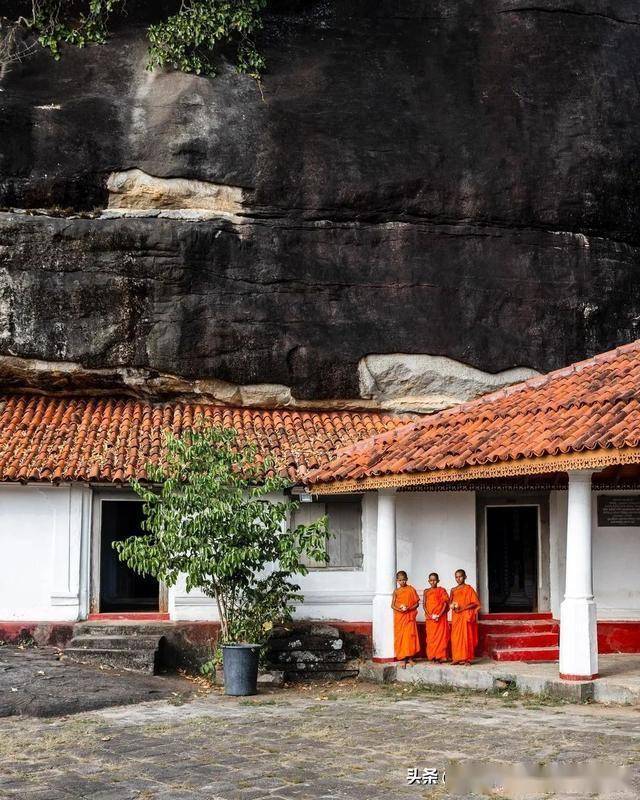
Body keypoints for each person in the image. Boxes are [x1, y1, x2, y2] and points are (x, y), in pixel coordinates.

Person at [449, 569, 480, 665]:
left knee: (466, 637)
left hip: (465, 615)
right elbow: (450, 602)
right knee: (456, 637)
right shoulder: (453, 590)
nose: (458, 579)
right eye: (456, 577)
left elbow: (475, 603)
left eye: (460, 576)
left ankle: (467, 659)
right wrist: (453, 606)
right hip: (456, 616)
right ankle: (457, 658)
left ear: (465, 577)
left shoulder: (469, 589)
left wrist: (462, 608)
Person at [391, 570, 420, 668]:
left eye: (403, 580)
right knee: (401, 638)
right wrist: (400, 609)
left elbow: (416, 604)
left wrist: (408, 609)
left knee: (410, 637)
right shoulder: (396, 591)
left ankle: (410, 658)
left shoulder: (411, 589)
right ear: (397, 581)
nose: (402, 582)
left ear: (407, 579)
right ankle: (403, 659)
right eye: (400, 580)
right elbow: (392, 605)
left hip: (409, 617)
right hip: (400, 618)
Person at [423, 572, 449, 662]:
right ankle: (432, 656)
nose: (433, 582)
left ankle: (440, 656)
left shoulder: (442, 590)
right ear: (428, 581)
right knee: (431, 638)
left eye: (434, 580)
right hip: (430, 619)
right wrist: (430, 615)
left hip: (440, 618)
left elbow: (445, 604)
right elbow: (424, 605)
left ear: (438, 581)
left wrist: (439, 615)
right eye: (431, 580)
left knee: (441, 638)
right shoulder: (426, 591)